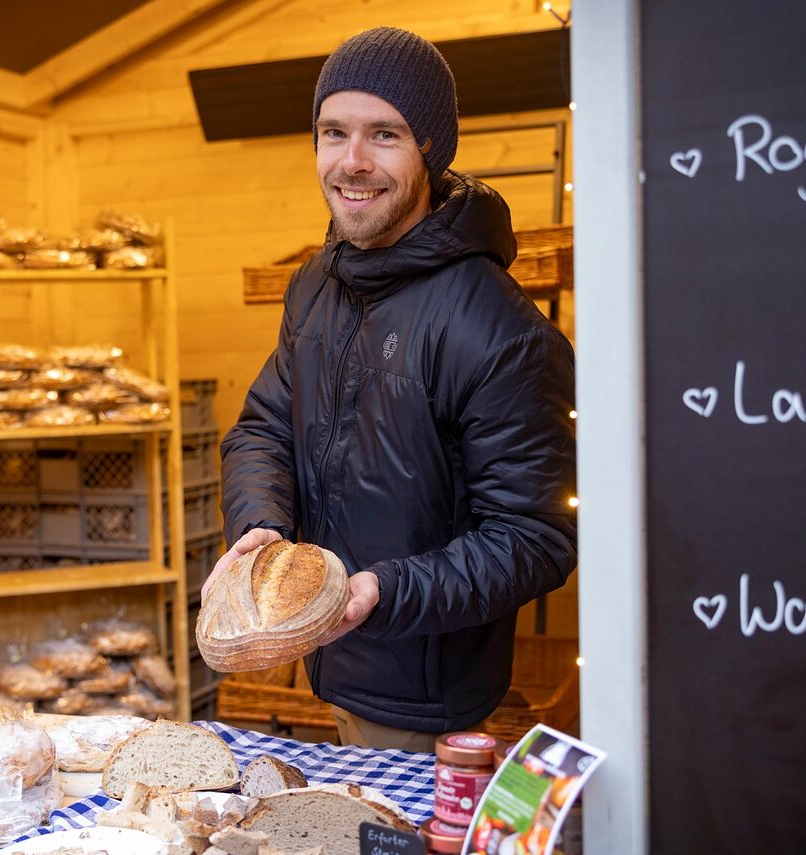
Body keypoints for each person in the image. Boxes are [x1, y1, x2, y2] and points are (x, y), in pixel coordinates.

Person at [210, 26, 577, 752]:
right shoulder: (316, 286)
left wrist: (384, 591)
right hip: (329, 662)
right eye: (332, 132)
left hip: (428, 703)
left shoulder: (494, 324)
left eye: (384, 134)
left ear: (429, 153)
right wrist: (261, 525)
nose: (351, 161)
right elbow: (262, 429)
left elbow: (535, 537)